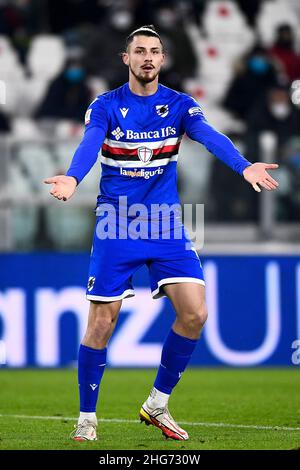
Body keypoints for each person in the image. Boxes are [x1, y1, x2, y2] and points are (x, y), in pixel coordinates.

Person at [44, 25, 279, 442]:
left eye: (155, 51)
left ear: (163, 59)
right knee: (102, 322)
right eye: (139, 51)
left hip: (167, 223)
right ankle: (86, 418)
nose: (148, 57)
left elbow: (209, 136)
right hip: (117, 222)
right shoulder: (105, 106)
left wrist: (244, 165)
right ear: (126, 59)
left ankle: (156, 403)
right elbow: (91, 143)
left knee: (196, 313)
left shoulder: (181, 105)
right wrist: (74, 178)